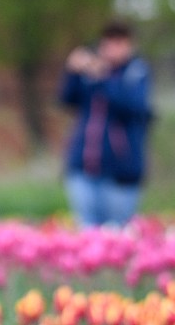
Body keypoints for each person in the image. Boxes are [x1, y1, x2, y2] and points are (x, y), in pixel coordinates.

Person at [60, 20, 153, 228]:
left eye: (119, 43)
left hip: (120, 171)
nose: (112, 49)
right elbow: (67, 100)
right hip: (84, 165)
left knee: (117, 233)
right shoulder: (91, 71)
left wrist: (103, 78)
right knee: (87, 231)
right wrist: (73, 72)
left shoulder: (137, 72)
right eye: (108, 42)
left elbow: (134, 108)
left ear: (130, 45)